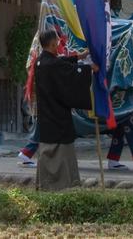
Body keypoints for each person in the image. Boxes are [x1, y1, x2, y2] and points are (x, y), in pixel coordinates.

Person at [33, 29, 95, 191]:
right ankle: (63, 184)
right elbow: (68, 72)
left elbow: (63, 62)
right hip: (57, 114)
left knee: (46, 148)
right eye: (57, 43)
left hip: (46, 112)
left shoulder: (40, 62)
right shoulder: (53, 64)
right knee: (61, 148)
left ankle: (45, 183)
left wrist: (80, 57)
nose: (58, 46)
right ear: (53, 43)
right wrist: (89, 70)